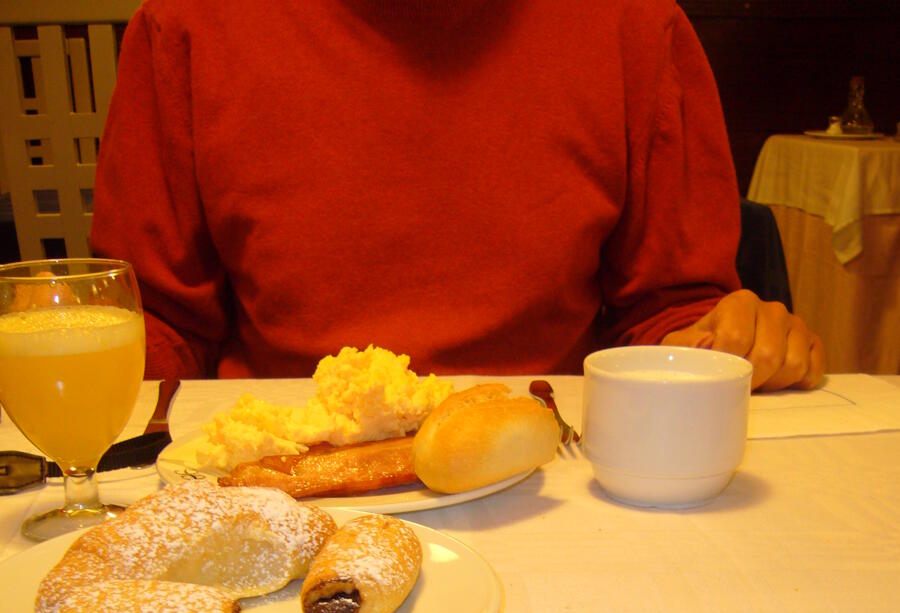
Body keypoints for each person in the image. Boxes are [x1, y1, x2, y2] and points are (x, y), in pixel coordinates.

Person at [90, 0, 824, 391]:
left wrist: (721, 341)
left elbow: (666, 309)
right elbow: (160, 321)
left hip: (551, 467)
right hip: (276, 469)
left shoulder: (634, 24)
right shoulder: (185, 26)